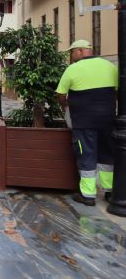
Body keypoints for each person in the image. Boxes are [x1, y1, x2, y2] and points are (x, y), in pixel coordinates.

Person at [56, 40, 117, 207]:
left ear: (81, 51)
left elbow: (60, 94)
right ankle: (110, 191)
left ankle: (88, 195)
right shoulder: (109, 66)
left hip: (83, 121)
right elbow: (118, 91)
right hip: (108, 120)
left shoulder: (73, 69)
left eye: (72, 52)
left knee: (86, 155)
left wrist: (65, 104)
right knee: (107, 155)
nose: (71, 56)